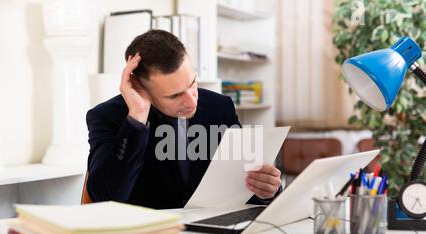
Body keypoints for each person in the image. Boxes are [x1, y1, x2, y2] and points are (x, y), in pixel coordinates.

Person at [86, 30, 282, 209]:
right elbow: (105, 198)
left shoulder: (219, 107)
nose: (191, 101)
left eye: (192, 83)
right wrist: (137, 118)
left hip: (213, 229)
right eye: (174, 96)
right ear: (139, 86)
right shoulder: (107, 117)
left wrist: (267, 190)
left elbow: (241, 188)